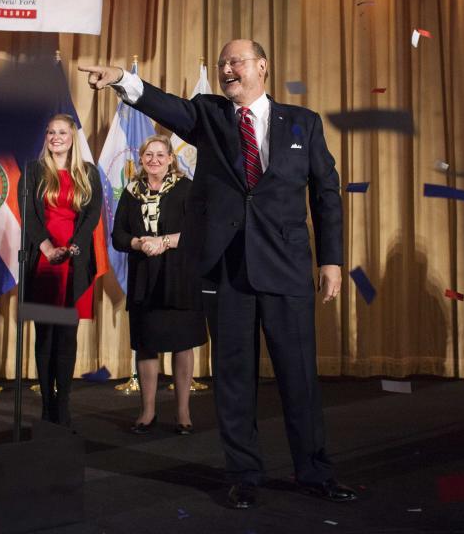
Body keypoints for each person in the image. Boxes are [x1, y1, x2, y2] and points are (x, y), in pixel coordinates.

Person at [79, 40, 356, 507]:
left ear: (262, 67)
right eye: (223, 62)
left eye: (237, 61)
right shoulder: (209, 114)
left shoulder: (303, 123)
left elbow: (327, 193)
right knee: (233, 379)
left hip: (286, 269)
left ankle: (314, 472)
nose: (228, 69)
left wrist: (330, 260)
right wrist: (123, 81)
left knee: (299, 377)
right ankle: (245, 474)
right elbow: (168, 105)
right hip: (226, 270)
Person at [111, 134, 207, 436]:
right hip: (144, 279)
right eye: (148, 155)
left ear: (170, 158)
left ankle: (183, 414)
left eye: (160, 154)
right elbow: (118, 236)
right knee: (147, 345)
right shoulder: (130, 192)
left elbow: (198, 232)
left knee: (182, 344)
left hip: (179, 276)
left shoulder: (186, 189)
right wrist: (139, 243)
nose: (154, 159)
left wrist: (164, 242)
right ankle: (147, 412)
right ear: (141, 159)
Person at [18, 114, 102, 428]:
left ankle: (63, 404)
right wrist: (47, 248)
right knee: (45, 335)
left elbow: (93, 214)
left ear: (72, 137)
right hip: (44, 262)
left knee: (67, 336)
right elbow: (28, 214)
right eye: (51, 132)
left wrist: (75, 246)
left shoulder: (88, 172)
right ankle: (47, 405)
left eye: (62, 132)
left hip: (76, 263)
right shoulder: (33, 171)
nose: (56, 137)